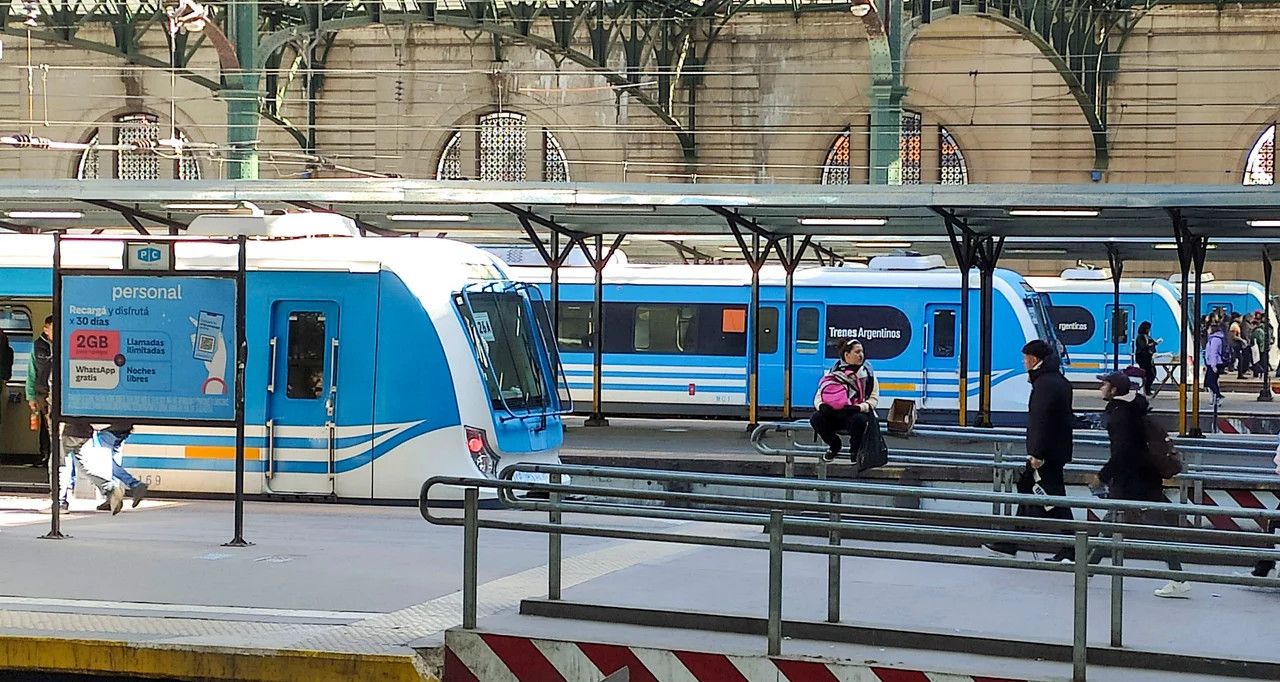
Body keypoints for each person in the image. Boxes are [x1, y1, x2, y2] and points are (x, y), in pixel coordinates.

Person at [1087, 371, 1190, 598]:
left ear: (1114, 389)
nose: (1100, 388)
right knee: (1113, 523)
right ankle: (1087, 569)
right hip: (1140, 477)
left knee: (1154, 528)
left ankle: (1179, 578)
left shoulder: (1120, 415)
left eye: (1104, 384)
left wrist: (1102, 476)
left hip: (1135, 481)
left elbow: (1122, 452)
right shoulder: (1131, 409)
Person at [984, 340, 1075, 561]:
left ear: (1034, 360)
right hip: (1053, 451)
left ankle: (1072, 545)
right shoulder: (1058, 381)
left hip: (1045, 455)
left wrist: (1036, 453)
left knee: (1052, 498)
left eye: (1025, 358)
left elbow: (1041, 421)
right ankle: (1011, 543)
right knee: (1029, 491)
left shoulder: (1044, 385)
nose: (1023, 362)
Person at [810, 337, 880, 463]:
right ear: (846, 355)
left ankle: (855, 450)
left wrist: (859, 407)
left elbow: (873, 400)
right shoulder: (833, 373)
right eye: (857, 352)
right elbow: (819, 395)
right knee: (816, 418)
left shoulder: (869, 375)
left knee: (858, 420)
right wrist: (821, 406)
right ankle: (834, 445)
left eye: (862, 352)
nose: (861, 355)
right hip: (836, 414)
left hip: (855, 414)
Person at [94, 423, 148, 511]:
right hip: (124, 428)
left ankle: (134, 484)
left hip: (108, 429)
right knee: (114, 460)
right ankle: (113, 500)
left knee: (104, 462)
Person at [25, 315, 54, 469]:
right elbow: (31, 372)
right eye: (53, 329)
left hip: (59, 393)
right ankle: (45, 455)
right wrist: (30, 396)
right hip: (42, 392)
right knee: (45, 426)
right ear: (45, 329)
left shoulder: (65, 343)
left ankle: (55, 457)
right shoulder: (38, 346)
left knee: (56, 426)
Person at [1205, 323, 1226, 408]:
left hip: (1214, 363)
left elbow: (1213, 353)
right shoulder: (1214, 339)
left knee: (1210, 382)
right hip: (1212, 363)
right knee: (1212, 382)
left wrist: (1213, 365)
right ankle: (1215, 398)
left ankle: (1218, 396)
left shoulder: (1215, 340)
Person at [1134, 321, 1158, 396]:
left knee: (1151, 373)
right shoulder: (1140, 337)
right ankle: (1146, 388)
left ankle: (1147, 387)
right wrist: (1152, 344)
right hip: (1143, 358)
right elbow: (1143, 346)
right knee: (1149, 373)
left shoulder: (1148, 337)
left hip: (1148, 358)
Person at [1251, 311, 1269, 379]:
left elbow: (1259, 340)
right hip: (1261, 348)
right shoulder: (1261, 330)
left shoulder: (1257, 331)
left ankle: (1259, 372)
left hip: (1258, 348)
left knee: (1257, 361)